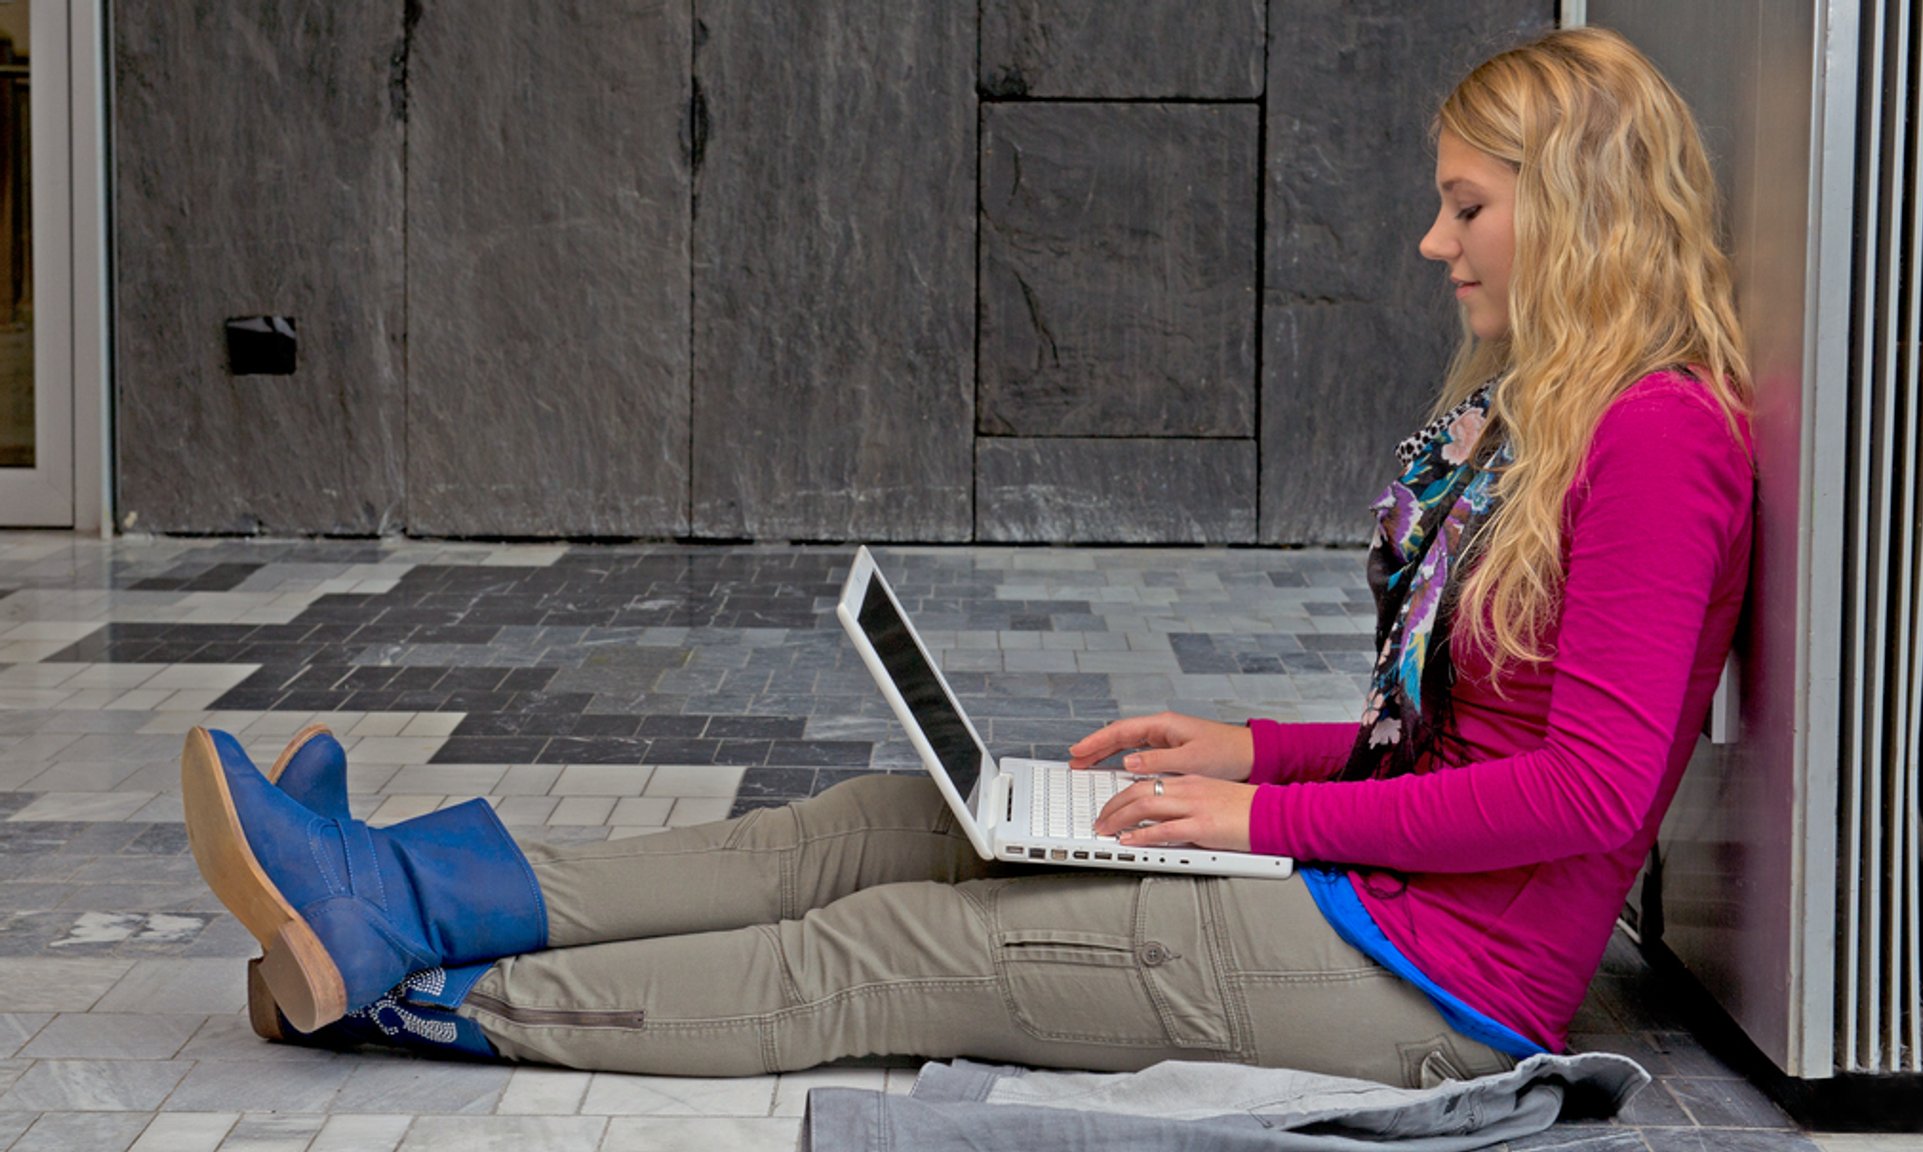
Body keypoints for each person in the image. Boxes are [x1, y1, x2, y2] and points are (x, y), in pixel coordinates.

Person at [180, 25, 1753, 1088]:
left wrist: (1267, 813)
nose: (1434, 242)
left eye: (1466, 206)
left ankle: (407, 989)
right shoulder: (1556, 416)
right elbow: (1469, 735)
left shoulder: (1660, 439)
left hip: (1436, 976)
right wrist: (1255, 751)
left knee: (910, 945)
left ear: (1579, 209)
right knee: (878, 822)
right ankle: (391, 884)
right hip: (1367, 881)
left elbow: (1593, 791)